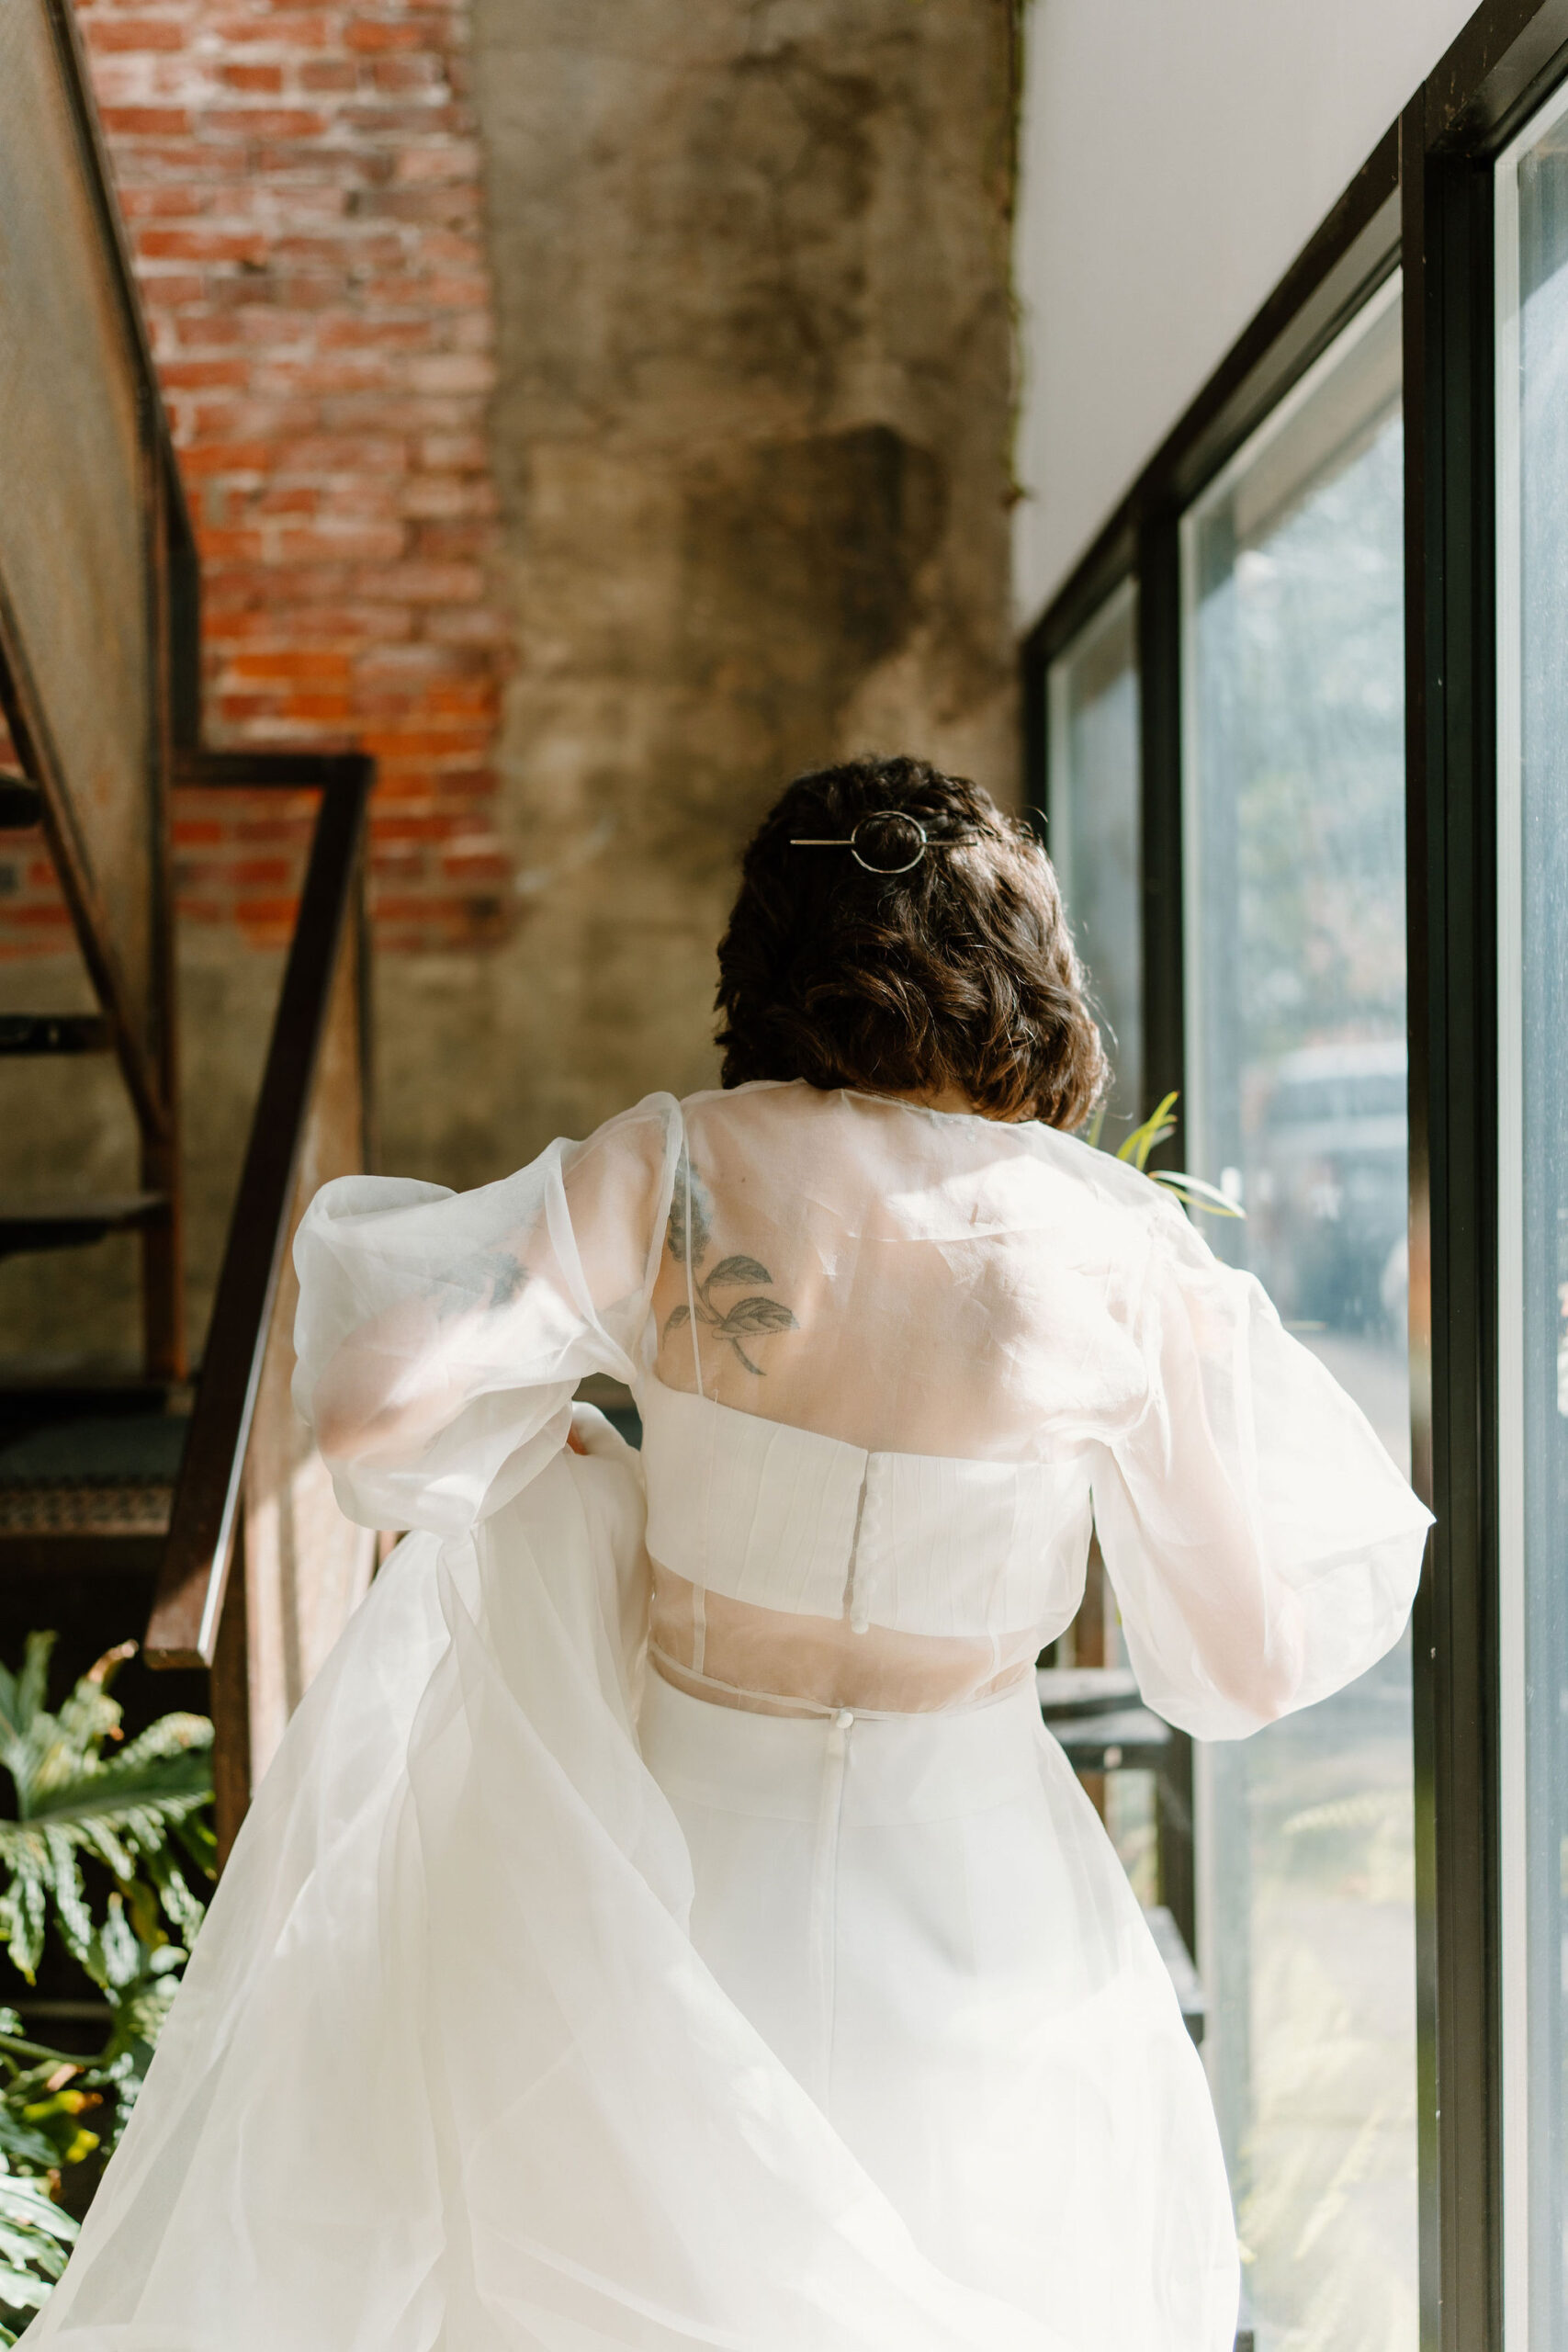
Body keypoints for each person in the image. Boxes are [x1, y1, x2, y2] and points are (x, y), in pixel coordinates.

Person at [28, 756, 1432, 2352]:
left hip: (680, 1886)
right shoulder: (1119, 1249)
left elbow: (361, 1412)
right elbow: (1243, 1665)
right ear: (1025, 969)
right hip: (989, 1911)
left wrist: (580, 1460)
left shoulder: (680, 1169)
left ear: (767, 961)